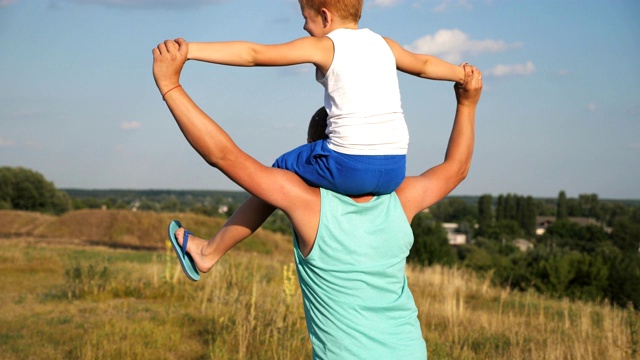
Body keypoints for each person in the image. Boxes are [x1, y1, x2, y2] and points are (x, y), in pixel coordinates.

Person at [153, 38, 482, 358]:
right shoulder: (401, 199)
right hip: (409, 351)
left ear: (319, 150)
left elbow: (224, 155)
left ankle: (208, 251)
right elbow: (457, 168)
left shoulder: (307, 205)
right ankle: (207, 251)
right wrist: (467, 105)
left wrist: (170, 86)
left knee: (278, 171)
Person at [183, 0, 466, 196]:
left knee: (276, 173)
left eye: (306, 19)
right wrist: (462, 74)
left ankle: (210, 251)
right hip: (395, 168)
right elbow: (425, 65)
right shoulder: (385, 44)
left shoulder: (325, 46)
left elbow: (253, 55)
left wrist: (188, 50)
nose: (305, 27)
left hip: (350, 164)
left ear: (325, 16)